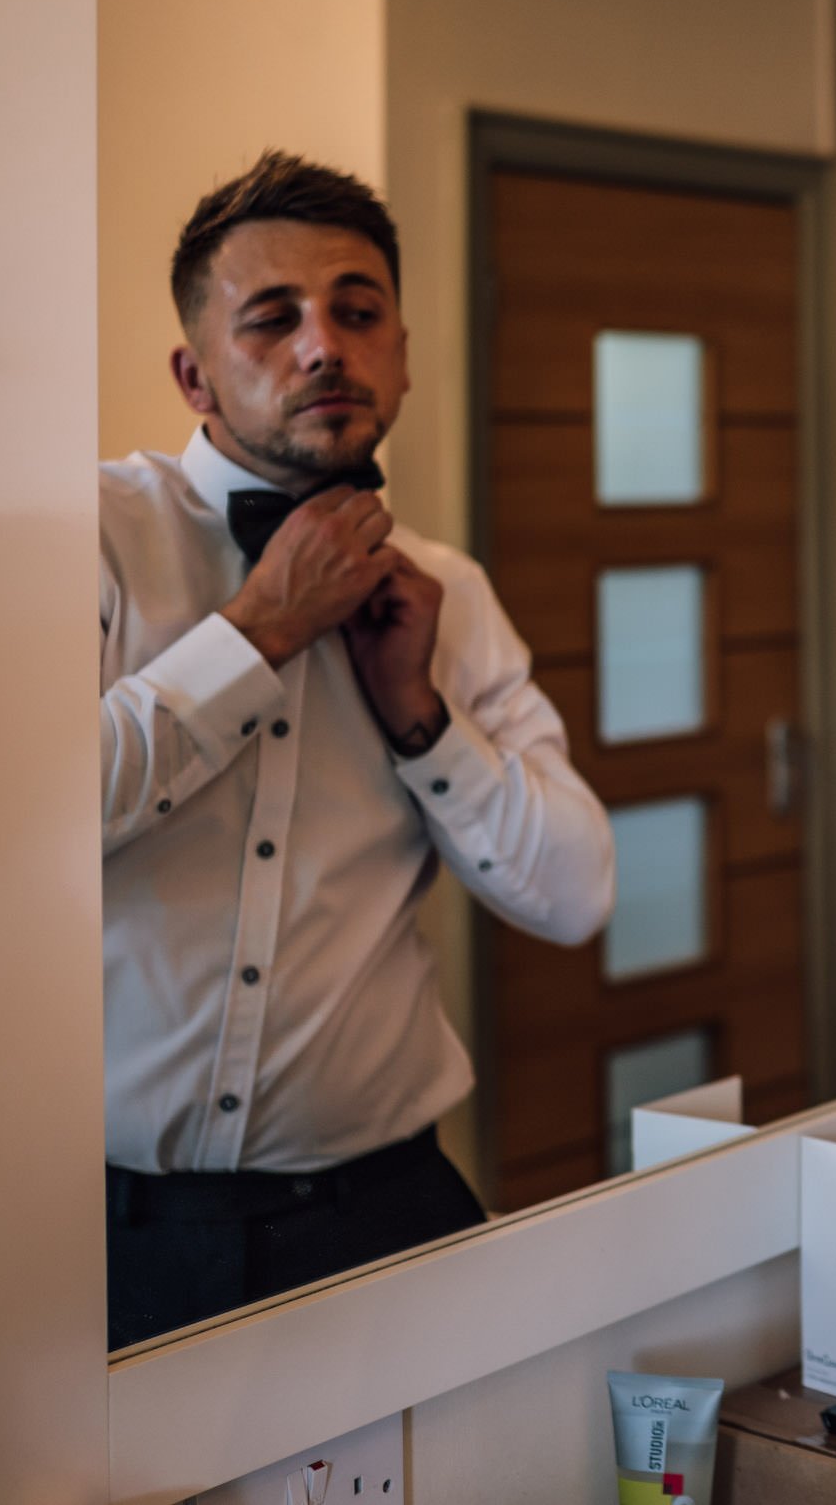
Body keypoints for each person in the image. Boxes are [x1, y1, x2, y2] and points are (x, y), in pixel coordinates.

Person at [100, 152, 616, 1348]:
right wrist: (259, 631)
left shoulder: (452, 597)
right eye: (271, 319)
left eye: (357, 310)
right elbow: (19, 818)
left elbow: (575, 892)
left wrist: (419, 718)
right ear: (195, 373)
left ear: (402, 351)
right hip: (115, 1233)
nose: (323, 345)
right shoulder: (97, 543)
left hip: (386, 1212)